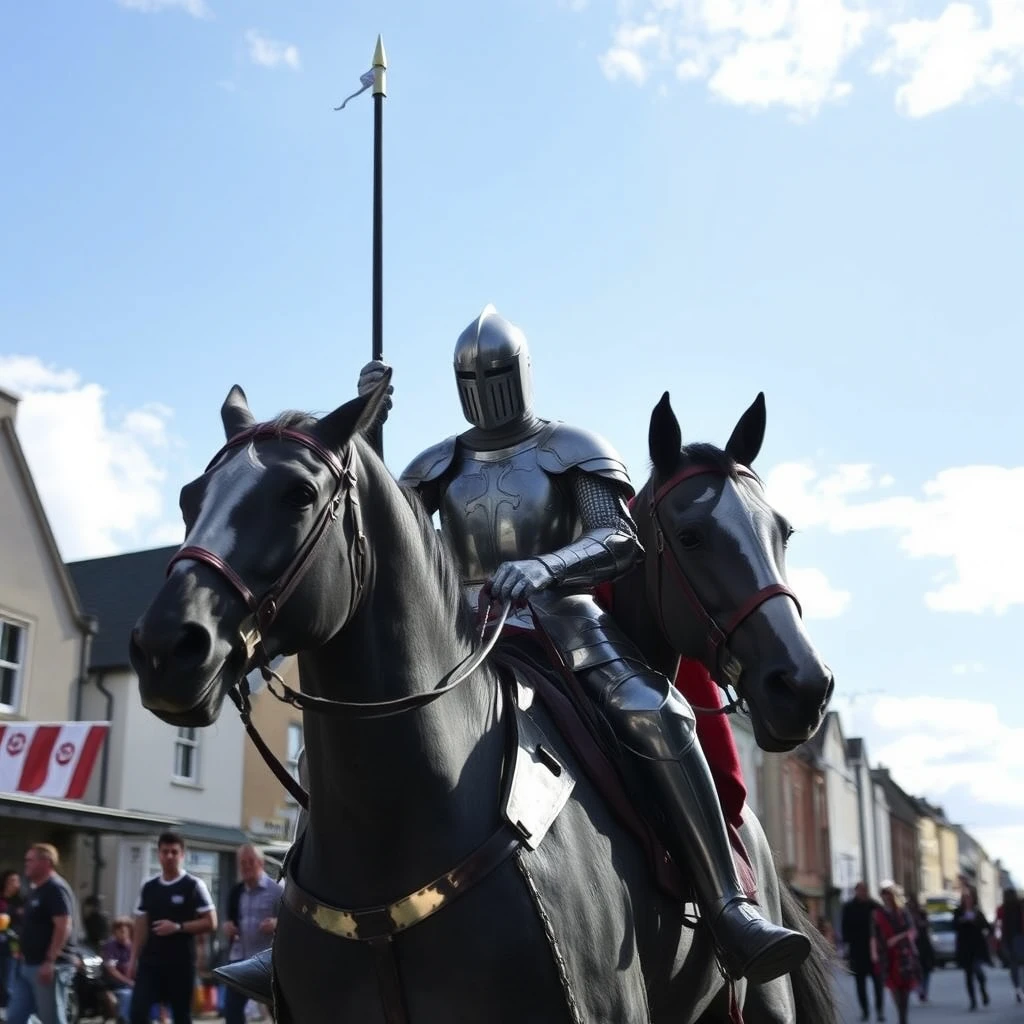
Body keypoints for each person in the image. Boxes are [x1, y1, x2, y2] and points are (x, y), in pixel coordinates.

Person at [221, 304, 812, 1001]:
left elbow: (620, 539)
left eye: (499, 373)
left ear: (522, 372)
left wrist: (547, 567)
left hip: (565, 623)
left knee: (659, 713)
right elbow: (385, 533)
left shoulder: (571, 445)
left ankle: (727, 907)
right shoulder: (440, 462)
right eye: (475, 378)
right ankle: (305, 920)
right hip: (461, 632)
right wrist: (370, 427)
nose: (488, 389)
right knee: (331, 746)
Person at [128, 831, 217, 1024]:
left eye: (174, 852)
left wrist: (177, 926)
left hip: (181, 962)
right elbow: (141, 925)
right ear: (158, 854)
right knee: (137, 1011)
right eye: (165, 852)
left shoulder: (194, 885)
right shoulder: (149, 886)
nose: (169, 856)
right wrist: (133, 958)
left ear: (182, 855)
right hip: (150, 962)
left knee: (180, 1015)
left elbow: (211, 922)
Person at [4, 844, 76, 1024]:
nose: (26, 864)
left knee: (52, 1019)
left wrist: (50, 961)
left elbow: (63, 926)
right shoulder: (36, 890)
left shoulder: (56, 888)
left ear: (46, 862)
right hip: (26, 964)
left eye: (30, 860)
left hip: (47, 967)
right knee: (14, 1017)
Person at [221, 846, 281, 1024]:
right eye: (242, 863)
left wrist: (277, 923)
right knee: (231, 1010)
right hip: (241, 959)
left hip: (268, 962)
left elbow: (291, 924)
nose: (246, 866)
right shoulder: (236, 891)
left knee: (277, 1011)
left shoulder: (277, 891)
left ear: (261, 863)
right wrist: (228, 927)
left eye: (251, 862)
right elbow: (230, 920)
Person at [871, 881, 919, 1024]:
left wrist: (897, 938)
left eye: (889, 894)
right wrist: (873, 952)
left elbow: (912, 930)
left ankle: (903, 1017)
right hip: (886, 955)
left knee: (904, 987)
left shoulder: (903, 912)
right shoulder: (877, 914)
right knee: (893, 987)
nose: (886, 897)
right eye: (884, 894)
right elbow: (873, 935)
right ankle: (901, 1015)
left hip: (903, 954)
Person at [842, 882, 885, 1022]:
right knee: (860, 984)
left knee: (878, 984)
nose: (862, 893)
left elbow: (882, 928)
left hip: (874, 952)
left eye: (864, 890)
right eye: (860, 890)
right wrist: (847, 947)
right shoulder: (849, 907)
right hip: (857, 951)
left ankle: (880, 1011)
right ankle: (865, 1011)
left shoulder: (875, 906)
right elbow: (845, 929)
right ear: (856, 891)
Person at [953, 884, 991, 1011]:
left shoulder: (977, 912)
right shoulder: (958, 912)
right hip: (965, 947)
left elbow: (987, 927)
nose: (968, 900)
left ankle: (983, 991)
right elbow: (954, 926)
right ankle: (973, 1001)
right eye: (965, 898)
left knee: (979, 971)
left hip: (977, 947)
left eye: (969, 898)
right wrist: (962, 920)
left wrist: (976, 922)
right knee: (968, 975)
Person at [101, 916, 135, 1022]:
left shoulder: (134, 946)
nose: (121, 933)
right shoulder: (110, 946)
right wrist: (128, 981)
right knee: (126, 995)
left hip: (134, 983)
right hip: (116, 985)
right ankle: (123, 1020)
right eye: (118, 930)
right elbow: (111, 969)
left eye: (124, 930)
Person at [0, 869, 24, 1013]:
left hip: (14, 949)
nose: (15, 885)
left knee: (11, 982)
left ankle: (10, 1011)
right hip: (3, 945)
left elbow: (23, 926)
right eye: (11, 881)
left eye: (17, 881)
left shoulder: (21, 902)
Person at [997, 887, 1023, 1003]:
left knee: (1014, 967)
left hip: (1008, 940)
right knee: (1020, 966)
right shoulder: (1020, 906)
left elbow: (998, 926)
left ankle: (1018, 989)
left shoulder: (1002, 909)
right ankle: (1019, 988)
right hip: (1018, 938)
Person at [907, 899, 934, 1003]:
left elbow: (928, 925)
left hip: (924, 946)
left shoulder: (922, 914)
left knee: (926, 970)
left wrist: (921, 923)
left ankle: (924, 992)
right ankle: (919, 989)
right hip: (913, 946)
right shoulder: (906, 917)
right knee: (915, 971)